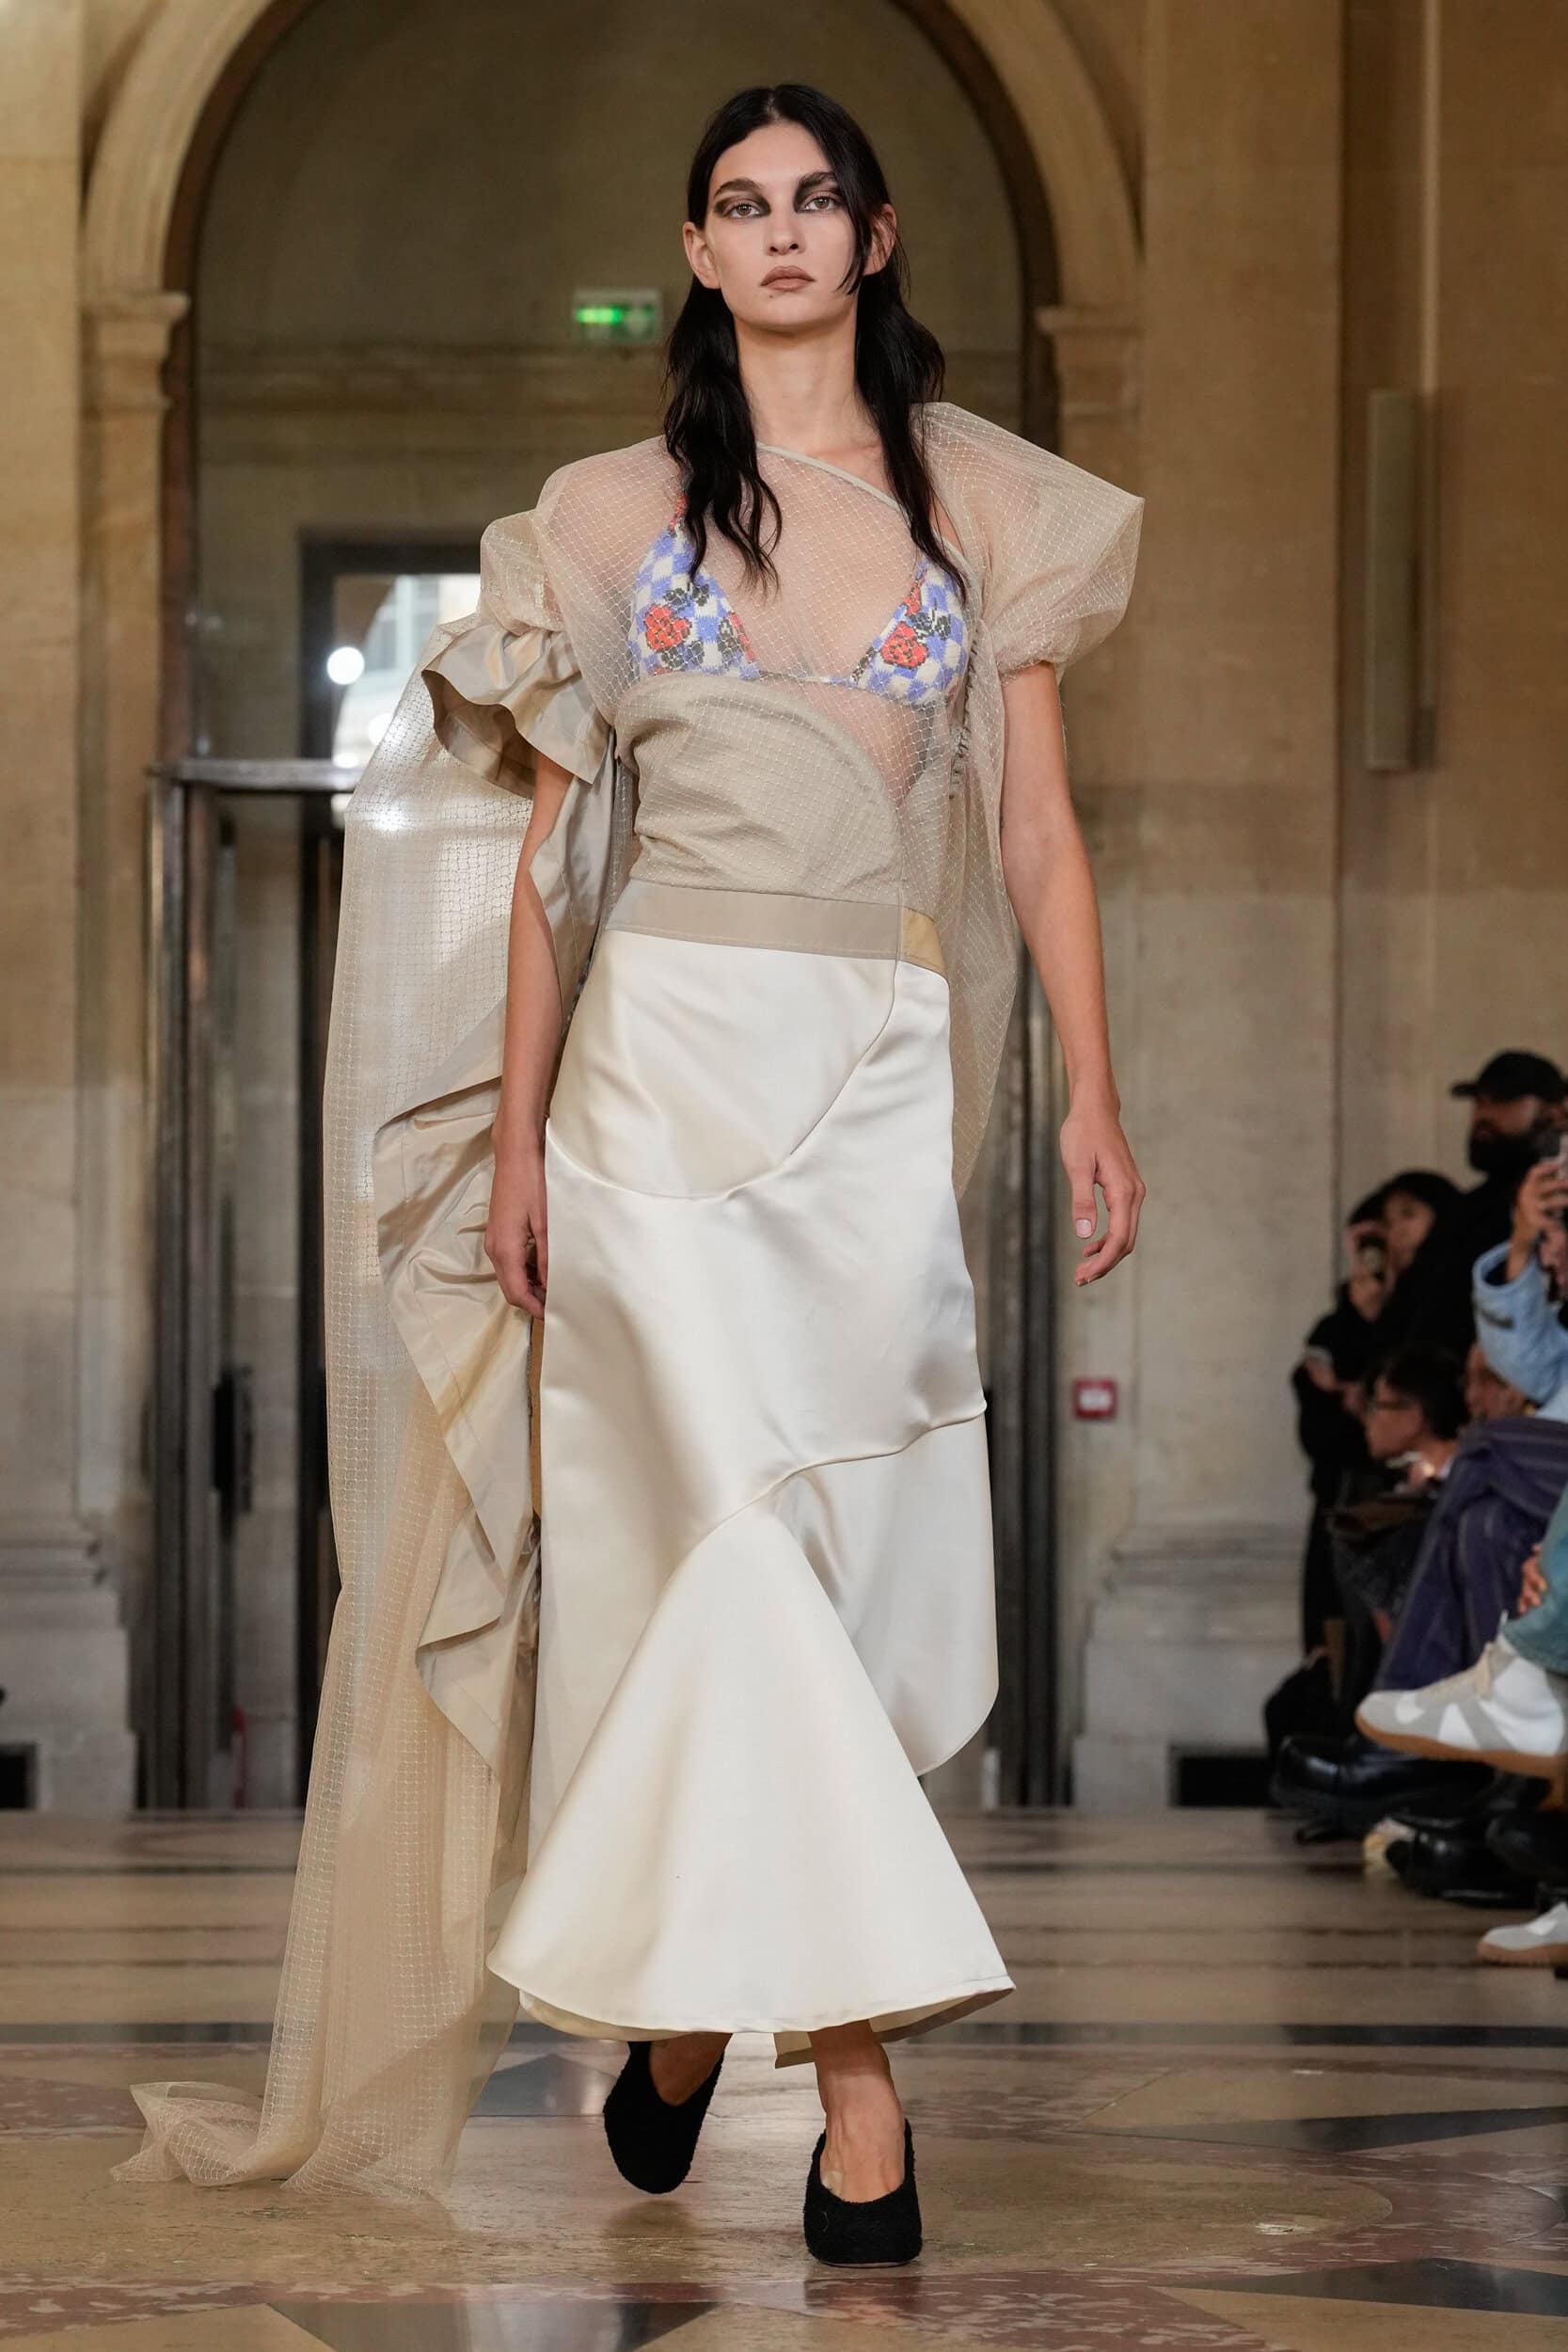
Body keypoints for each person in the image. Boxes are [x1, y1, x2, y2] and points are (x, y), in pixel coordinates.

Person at [112, 85, 1145, 2262]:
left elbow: (1038, 830)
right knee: (734, 1561)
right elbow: (556, 870)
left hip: (876, 1082)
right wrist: (516, 1139)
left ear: (876, 237)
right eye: (740, 205)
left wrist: (1093, 1088)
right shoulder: (601, 518)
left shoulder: (984, 507)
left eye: (816, 201)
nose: (781, 233)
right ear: (695, 250)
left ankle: (678, 2027)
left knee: (813, 1579)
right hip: (653, 1086)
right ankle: (858, 2094)